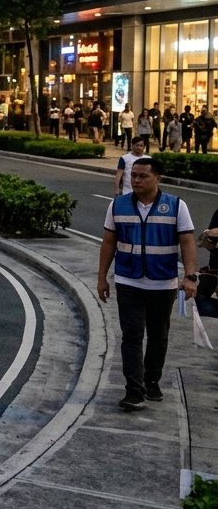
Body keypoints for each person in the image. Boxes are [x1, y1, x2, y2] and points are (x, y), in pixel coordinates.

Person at [100, 158, 199, 411]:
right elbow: (109, 241)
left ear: (158, 178)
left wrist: (190, 277)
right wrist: (102, 277)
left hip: (163, 283)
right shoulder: (117, 205)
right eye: (133, 175)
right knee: (132, 335)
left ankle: (151, 379)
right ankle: (134, 390)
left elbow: (187, 242)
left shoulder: (176, 206)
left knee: (158, 335)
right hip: (128, 280)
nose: (136, 180)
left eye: (143, 176)